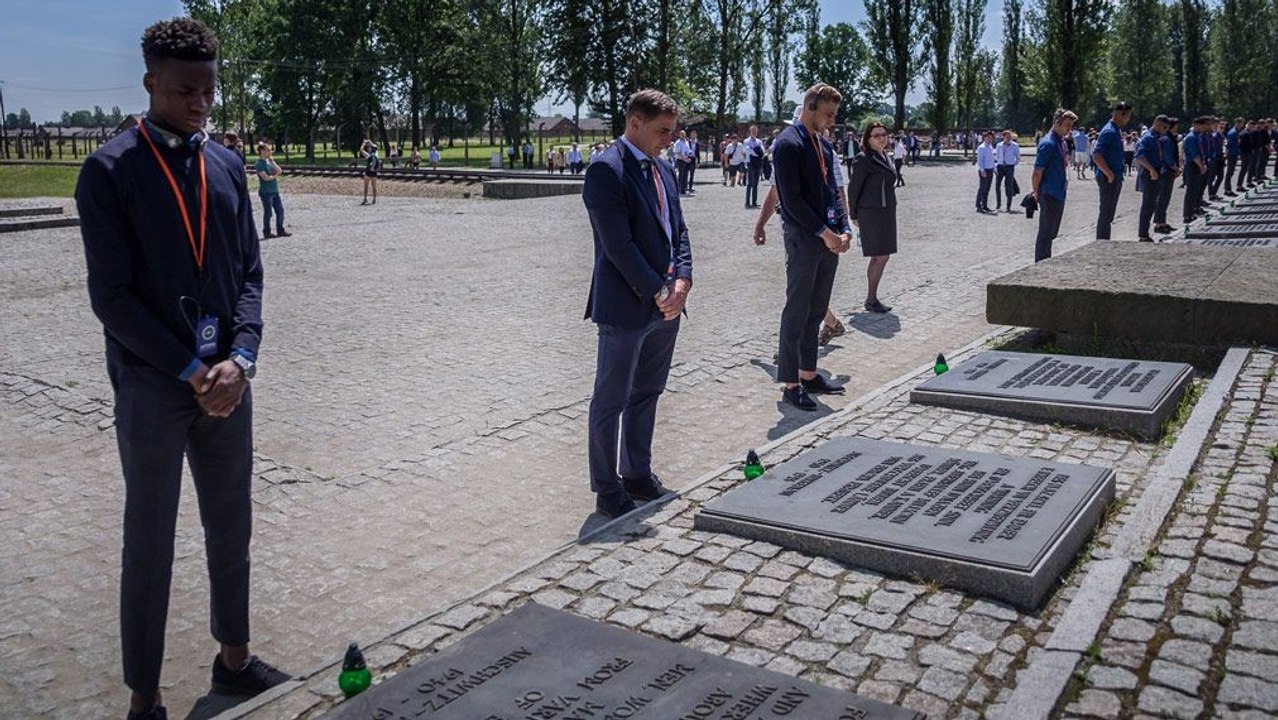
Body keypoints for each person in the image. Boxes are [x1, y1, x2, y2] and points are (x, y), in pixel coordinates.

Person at [75, 18, 291, 720]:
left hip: (228, 381)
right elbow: (111, 298)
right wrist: (189, 368)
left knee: (232, 526)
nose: (201, 102)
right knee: (151, 543)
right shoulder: (110, 172)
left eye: (209, 88)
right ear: (149, 83)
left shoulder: (226, 165)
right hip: (154, 387)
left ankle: (233, 660)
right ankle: (145, 694)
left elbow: (251, 275)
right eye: (184, 90)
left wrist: (242, 357)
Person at [582, 89, 691, 520]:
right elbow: (618, 245)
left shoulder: (663, 169)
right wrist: (659, 290)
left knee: (647, 392)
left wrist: (682, 280)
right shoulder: (606, 170)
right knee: (611, 397)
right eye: (662, 131)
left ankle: (637, 473)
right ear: (634, 124)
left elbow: (678, 231)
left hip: (667, 304)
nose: (669, 139)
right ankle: (606, 487)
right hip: (628, 306)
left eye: (672, 131)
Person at [771, 83, 851, 411]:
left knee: (817, 309)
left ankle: (808, 372)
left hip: (828, 239)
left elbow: (833, 191)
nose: (832, 121)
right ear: (811, 106)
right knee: (797, 310)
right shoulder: (787, 144)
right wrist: (823, 232)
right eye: (829, 114)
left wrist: (844, 229)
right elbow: (791, 201)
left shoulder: (824, 145)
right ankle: (791, 383)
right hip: (804, 238)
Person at [847, 122, 898, 314]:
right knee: (880, 256)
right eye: (876, 135)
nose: (881, 138)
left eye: (884, 134)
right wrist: (853, 214)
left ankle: (872, 297)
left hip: (886, 211)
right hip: (871, 212)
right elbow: (854, 189)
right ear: (867, 139)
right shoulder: (863, 159)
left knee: (882, 256)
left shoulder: (885, 156)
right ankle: (871, 298)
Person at [1030, 108, 1077, 262]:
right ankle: (1041, 263)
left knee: (1052, 232)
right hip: (1049, 193)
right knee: (1045, 232)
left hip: (1059, 192)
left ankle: (1045, 260)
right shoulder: (1048, 143)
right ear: (1057, 123)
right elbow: (1037, 172)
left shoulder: (1061, 142)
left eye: (1071, 126)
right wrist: (1035, 191)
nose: (1069, 129)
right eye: (1067, 125)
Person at [1093, 101, 1132, 241]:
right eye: (1128, 116)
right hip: (1108, 177)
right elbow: (1096, 155)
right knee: (1106, 213)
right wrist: (1109, 174)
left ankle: (1104, 240)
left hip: (1114, 175)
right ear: (1121, 115)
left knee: (1108, 213)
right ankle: (1102, 242)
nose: (1129, 119)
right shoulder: (1109, 131)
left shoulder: (1115, 130)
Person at [1134, 115, 1172, 243]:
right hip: (1150, 173)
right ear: (1156, 124)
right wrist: (1151, 169)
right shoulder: (1148, 138)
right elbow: (1139, 156)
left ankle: (1145, 232)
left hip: (1157, 172)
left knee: (1152, 204)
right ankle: (1143, 235)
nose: (1165, 130)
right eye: (1164, 127)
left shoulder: (1157, 138)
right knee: (1148, 205)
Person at [254, 141, 290, 238]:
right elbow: (265, 178)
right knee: (268, 213)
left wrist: (273, 162)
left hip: (274, 191)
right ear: (262, 151)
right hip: (266, 192)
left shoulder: (269, 162)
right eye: (268, 150)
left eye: (270, 150)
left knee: (280, 211)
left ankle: (280, 229)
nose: (270, 152)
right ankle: (267, 231)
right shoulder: (259, 164)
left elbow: (280, 170)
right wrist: (276, 175)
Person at [1181, 116, 1209, 225]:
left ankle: (1192, 211)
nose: (1204, 128)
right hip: (1192, 165)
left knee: (1195, 190)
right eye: (1203, 126)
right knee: (1191, 191)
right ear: (1197, 125)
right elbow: (1194, 155)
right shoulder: (1191, 137)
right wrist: (1201, 167)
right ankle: (1187, 215)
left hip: (1197, 165)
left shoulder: (1197, 136)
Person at [994, 129, 1021, 213]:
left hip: (1009, 166)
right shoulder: (999, 145)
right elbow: (997, 156)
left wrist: (1013, 163)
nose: (1009, 138)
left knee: (1009, 186)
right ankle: (998, 204)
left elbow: (1017, 156)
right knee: (997, 185)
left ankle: (1008, 206)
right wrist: (997, 164)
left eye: (1010, 137)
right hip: (1000, 166)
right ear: (1003, 137)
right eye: (1007, 137)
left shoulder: (1014, 145)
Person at [975, 131, 997, 214]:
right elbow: (979, 161)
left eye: (991, 138)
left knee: (987, 189)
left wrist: (994, 168)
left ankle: (985, 205)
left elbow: (992, 159)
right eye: (988, 137)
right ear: (984, 138)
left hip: (990, 169)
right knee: (982, 188)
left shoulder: (990, 147)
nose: (990, 139)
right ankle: (978, 205)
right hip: (984, 170)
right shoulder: (981, 147)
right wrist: (982, 170)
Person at [744, 124, 764, 208]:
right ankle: (747, 203)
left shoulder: (759, 141)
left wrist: (758, 153)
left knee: (756, 183)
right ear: (750, 131)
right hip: (750, 163)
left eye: (756, 131)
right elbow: (748, 151)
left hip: (757, 163)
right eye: (753, 131)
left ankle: (754, 202)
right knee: (750, 183)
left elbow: (762, 150)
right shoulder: (746, 141)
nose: (754, 132)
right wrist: (757, 153)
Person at [1224, 117, 1244, 196]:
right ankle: (1227, 189)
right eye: (1241, 123)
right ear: (1237, 123)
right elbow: (1228, 145)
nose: (1242, 125)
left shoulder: (1237, 132)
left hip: (1234, 153)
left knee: (1231, 172)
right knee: (1229, 172)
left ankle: (1228, 189)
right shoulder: (1233, 133)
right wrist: (1226, 155)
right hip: (1231, 154)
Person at [672, 129, 693, 194]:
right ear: (679, 135)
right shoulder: (678, 142)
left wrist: (689, 156)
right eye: (682, 134)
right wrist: (684, 158)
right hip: (680, 160)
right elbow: (677, 152)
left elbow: (688, 150)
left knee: (685, 175)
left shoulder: (686, 141)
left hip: (686, 160)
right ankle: (679, 189)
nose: (683, 135)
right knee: (681, 175)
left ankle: (684, 189)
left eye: (684, 134)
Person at [360, 139, 379, 205]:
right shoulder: (376, 154)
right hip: (374, 173)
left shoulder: (368, 155)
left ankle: (365, 199)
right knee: (374, 187)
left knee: (366, 187)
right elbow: (376, 146)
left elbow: (361, 150)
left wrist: (364, 144)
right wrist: (370, 142)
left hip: (368, 173)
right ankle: (374, 199)